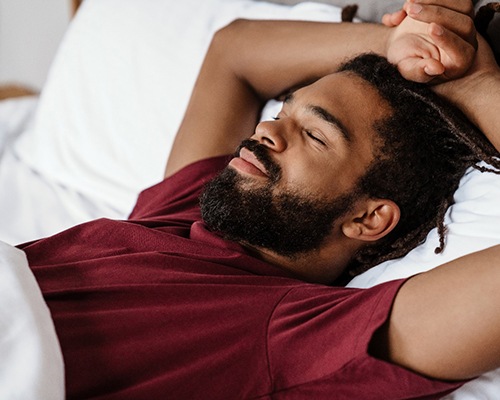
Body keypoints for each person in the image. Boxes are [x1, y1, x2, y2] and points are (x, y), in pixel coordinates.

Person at [18, 0, 500, 398]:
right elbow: (235, 51)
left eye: (314, 135)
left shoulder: (296, 335)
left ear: (369, 217)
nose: (268, 130)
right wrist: (397, 44)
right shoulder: (184, 212)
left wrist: (476, 86)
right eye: (285, 111)